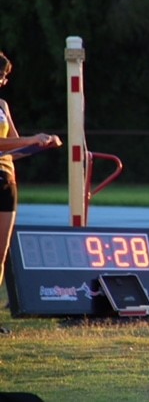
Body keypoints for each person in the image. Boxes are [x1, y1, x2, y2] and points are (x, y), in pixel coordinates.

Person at [0, 51, 62, 289]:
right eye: (1, 75)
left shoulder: (3, 106)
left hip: (6, 179)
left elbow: (15, 146)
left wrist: (40, 143)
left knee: (2, 251)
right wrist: (29, 139)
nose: (3, 82)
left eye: (4, 77)